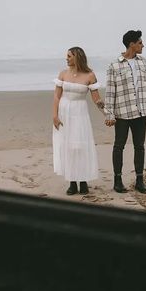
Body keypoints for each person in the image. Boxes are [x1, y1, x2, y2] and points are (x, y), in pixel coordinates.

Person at [104, 30, 146, 194]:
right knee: (119, 147)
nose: (143, 45)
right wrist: (109, 114)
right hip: (122, 113)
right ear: (131, 44)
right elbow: (110, 92)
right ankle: (117, 181)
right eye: (140, 42)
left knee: (140, 147)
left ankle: (140, 180)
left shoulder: (144, 62)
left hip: (141, 112)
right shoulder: (114, 65)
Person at [53, 47, 104, 195]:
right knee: (67, 146)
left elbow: (97, 99)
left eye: (69, 56)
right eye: (66, 56)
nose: (66, 58)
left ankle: (83, 181)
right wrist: (54, 116)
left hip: (80, 113)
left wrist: (107, 114)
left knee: (79, 146)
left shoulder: (89, 75)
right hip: (63, 113)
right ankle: (72, 182)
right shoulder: (63, 74)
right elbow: (56, 96)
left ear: (77, 57)